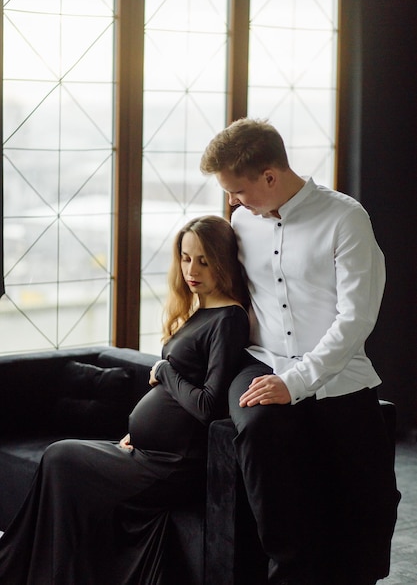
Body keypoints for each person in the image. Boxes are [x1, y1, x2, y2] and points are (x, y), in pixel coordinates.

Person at [200, 118, 401, 585]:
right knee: (259, 433)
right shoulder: (241, 222)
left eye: (238, 190)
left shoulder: (346, 217)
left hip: (338, 370)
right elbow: (226, 297)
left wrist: (296, 383)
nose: (232, 200)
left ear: (270, 175)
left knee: (372, 497)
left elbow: (356, 318)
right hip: (262, 360)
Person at [0, 215, 250, 585]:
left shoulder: (229, 319)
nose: (191, 269)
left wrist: (166, 372)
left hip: (172, 466)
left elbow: (209, 405)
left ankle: (26, 568)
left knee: (60, 457)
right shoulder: (201, 311)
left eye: (204, 260)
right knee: (61, 466)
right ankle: (42, 570)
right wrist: (143, 433)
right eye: (185, 258)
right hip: (150, 452)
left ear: (223, 261)